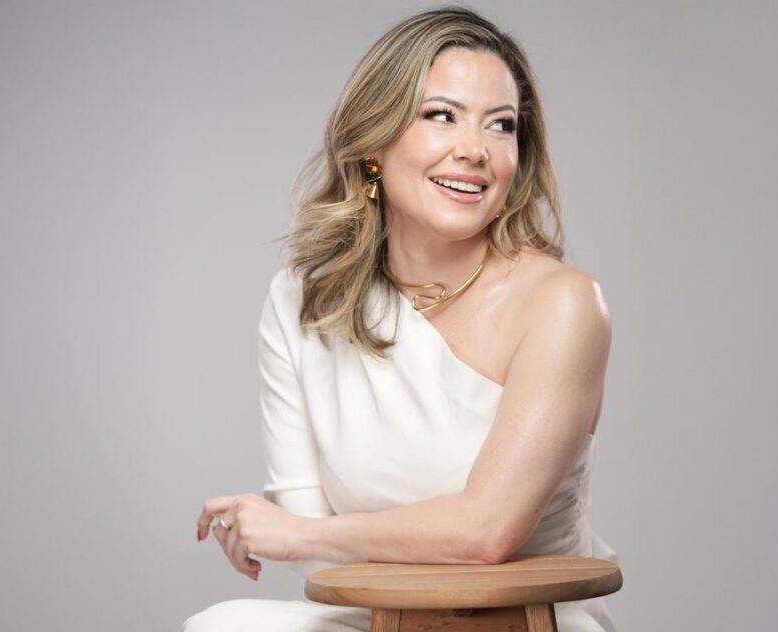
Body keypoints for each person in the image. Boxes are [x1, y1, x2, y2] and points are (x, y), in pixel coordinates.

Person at [183, 5, 618, 631]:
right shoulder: (301, 299)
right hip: (376, 616)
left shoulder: (564, 303)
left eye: (501, 125)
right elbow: (312, 553)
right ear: (373, 145)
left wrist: (300, 533)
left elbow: (486, 531)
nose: (475, 150)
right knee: (220, 625)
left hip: (524, 620)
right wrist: (302, 535)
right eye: (441, 115)